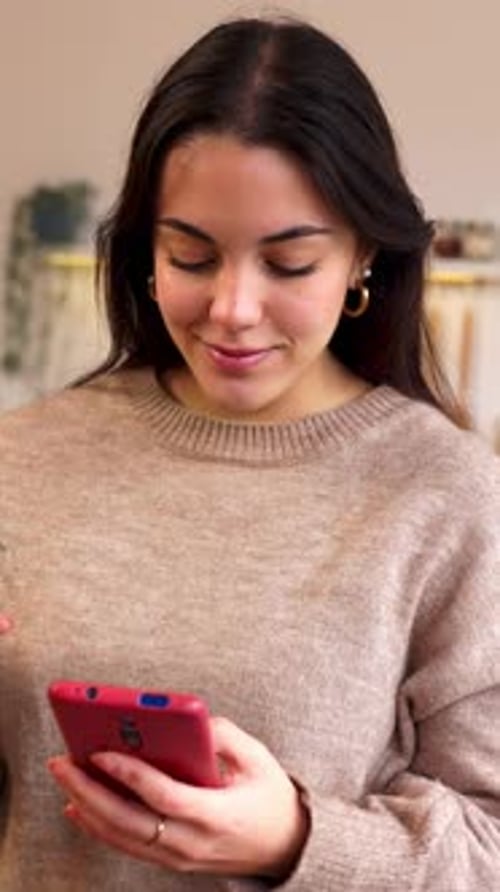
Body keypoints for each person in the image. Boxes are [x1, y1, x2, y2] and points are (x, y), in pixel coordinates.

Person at [0, 16, 499, 892]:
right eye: (191, 255)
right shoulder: (25, 457)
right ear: (145, 256)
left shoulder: (449, 496)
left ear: (361, 260)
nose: (232, 308)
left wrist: (297, 841)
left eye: (290, 264)